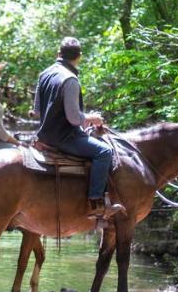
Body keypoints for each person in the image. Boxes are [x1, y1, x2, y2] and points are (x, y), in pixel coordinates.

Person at [33, 37, 126, 219]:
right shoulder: (70, 80)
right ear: (79, 57)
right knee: (105, 152)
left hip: (44, 137)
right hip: (65, 138)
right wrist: (93, 118)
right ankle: (95, 202)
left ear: (58, 54)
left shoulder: (44, 74)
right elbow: (74, 119)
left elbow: (36, 111)